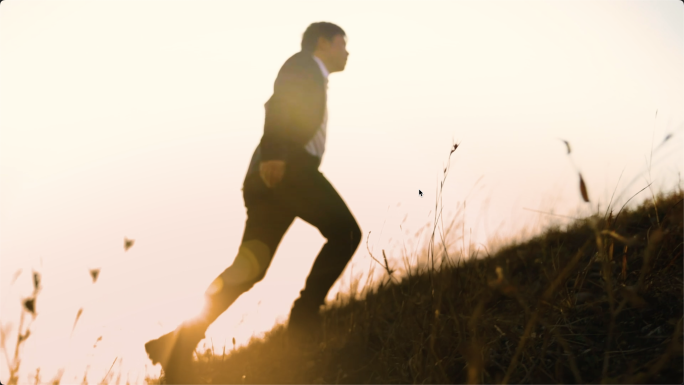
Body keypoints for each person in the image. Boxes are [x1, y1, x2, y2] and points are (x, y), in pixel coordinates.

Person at [144, 21, 361, 382]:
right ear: (323, 42)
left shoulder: (314, 74)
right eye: (343, 43)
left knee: (250, 270)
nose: (347, 51)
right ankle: (304, 317)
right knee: (347, 234)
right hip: (288, 170)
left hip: (275, 179)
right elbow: (279, 104)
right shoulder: (302, 65)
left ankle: (177, 343)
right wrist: (275, 154)